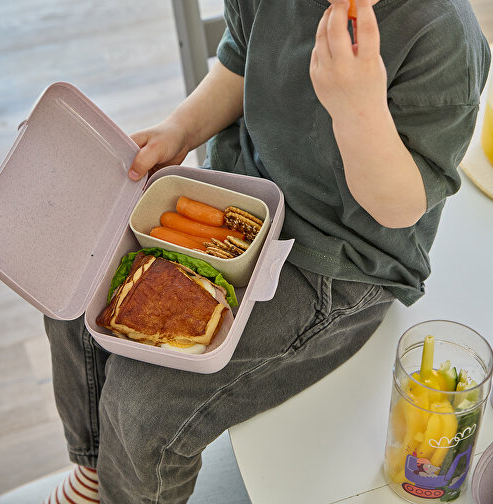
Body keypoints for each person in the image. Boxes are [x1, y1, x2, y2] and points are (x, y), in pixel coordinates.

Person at [44, 0, 491, 503]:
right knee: (75, 284)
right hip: (242, 196)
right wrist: (180, 130)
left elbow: (398, 208)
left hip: (339, 261)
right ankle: (95, 469)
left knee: (144, 406)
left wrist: (355, 106)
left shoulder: (441, 35)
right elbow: (239, 59)